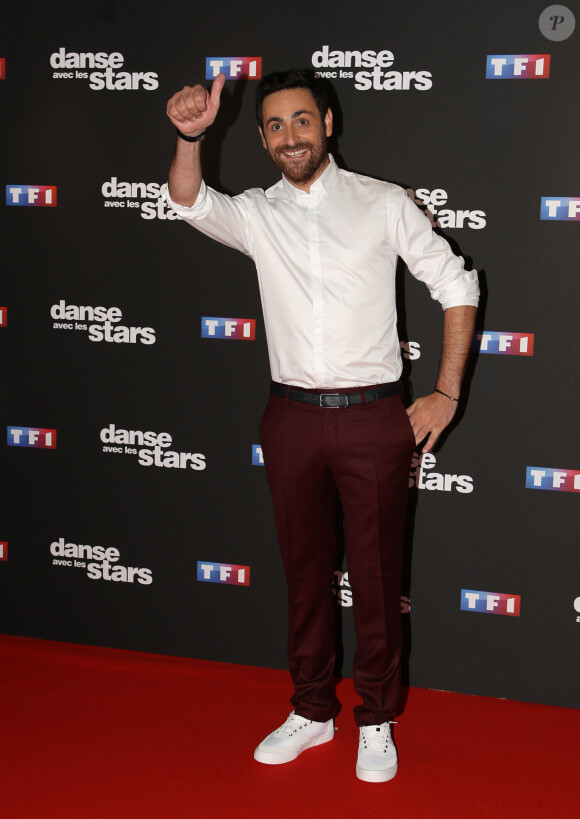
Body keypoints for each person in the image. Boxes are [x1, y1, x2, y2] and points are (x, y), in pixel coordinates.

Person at [164, 69, 479, 783]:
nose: (289, 136)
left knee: (375, 578)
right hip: (290, 418)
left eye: (301, 120)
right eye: (274, 126)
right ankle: (311, 709)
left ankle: (377, 718)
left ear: (327, 123)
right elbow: (187, 199)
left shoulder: (382, 202)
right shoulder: (255, 212)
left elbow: (456, 284)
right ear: (263, 137)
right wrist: (189, 137)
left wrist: (446, 393)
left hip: (375, 417)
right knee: (305, 576)